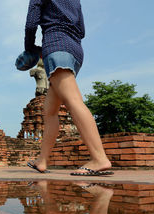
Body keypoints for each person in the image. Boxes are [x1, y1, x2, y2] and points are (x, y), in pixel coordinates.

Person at [23, 0, 113, 176]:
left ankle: (99, 158)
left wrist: (30, 49)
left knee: (73, 101)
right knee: (50, 110)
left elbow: (31, 23)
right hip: (75, 49)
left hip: (56, 46)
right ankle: (42, 160)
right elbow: (82, 30)